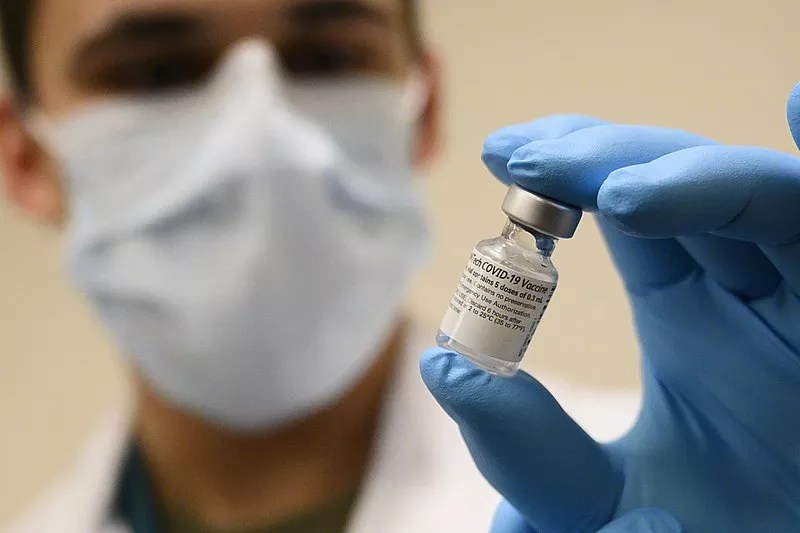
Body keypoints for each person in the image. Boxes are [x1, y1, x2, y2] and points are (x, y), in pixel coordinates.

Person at [3, 1, 798, 533]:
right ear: (24, 156)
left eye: (324, 55)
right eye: (157, 73)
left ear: (424, 108)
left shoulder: (661, 488)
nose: (264, 141)